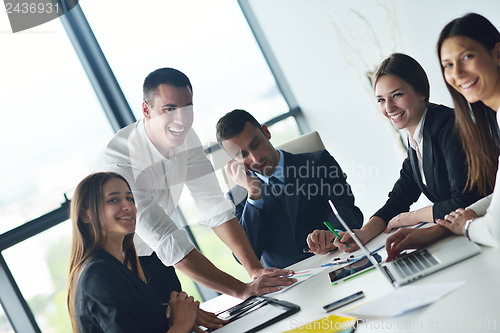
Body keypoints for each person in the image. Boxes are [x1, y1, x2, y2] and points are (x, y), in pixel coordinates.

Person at [91, 68, 294, 304]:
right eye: (169, 109)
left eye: (187, 108)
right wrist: (242, 290)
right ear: (147, 110)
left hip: (157, 255)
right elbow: (167, 238)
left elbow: (213, 205)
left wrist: (255, 271)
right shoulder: (119, 161)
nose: (181, 120)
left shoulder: (186, 137)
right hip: (115, 268)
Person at [312, 53, 483, 255]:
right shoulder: (416, 140)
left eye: (397, 95)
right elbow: (398, 200)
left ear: (421, 92)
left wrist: (414, 216)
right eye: (381, 100)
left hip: (482, 230)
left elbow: (464, 201)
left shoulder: (448, 126)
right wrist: (363, 233)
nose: (389, 108)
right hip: (462, 238)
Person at [386, 13, 500, 256]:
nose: (457, 73)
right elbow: (495, 198)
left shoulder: (446, 124)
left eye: (467, 57)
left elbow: (494, 230)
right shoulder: (492, 119)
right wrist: (440, 229)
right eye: (448, 65)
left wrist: (466, 225)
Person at [216, 109, 363, 268]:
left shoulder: (318, 163)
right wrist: (253, 194)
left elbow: (346, 209)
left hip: (338, 262)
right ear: (234, 161)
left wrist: (336, 234)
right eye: (242, 155)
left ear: (266, 132)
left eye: (256, 144)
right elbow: (245, 256)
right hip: (289, 283)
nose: (256, 158)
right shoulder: (237, 198)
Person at [67, 172, 211, 333]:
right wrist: (182, 324)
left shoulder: (116, 266)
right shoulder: (97, 274)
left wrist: (169, 312)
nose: (128, 206)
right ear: (86, 215)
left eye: (130, 198)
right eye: (113, 200)